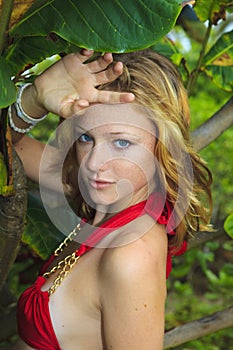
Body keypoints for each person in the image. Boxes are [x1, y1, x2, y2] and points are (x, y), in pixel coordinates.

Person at [10, 49, 212, 350]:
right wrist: (36, 98)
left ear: (162, 146)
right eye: (86, 137)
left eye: (122, 142)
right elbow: (8, 148)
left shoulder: (130, 257)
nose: (93, 163)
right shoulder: (109, 196)